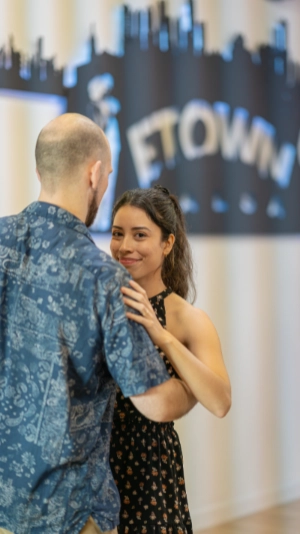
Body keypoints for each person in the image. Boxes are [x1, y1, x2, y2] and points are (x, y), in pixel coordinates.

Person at [0, 114, 196, 534]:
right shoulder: (104, 278)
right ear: (94, 174)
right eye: (107, 176)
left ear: (40, 170)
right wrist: (191, 384)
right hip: (69, 516)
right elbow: (156, 403)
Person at [109, 185, 231, 534]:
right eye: (118, 234)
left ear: (168, 243)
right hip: (96, 467)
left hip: (149, 471)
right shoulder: (100, 305)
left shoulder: (188, 318)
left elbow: (220, 401)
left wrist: (161, 334)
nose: (125, 246)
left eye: (140, 235)